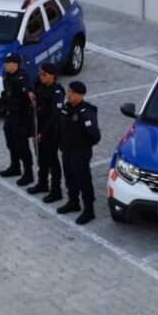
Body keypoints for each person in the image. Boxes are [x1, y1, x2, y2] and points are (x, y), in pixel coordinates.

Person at [56, 81, 100, 224]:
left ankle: (89, 210)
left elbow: (95, 136)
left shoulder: (86, 112)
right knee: (69, 177)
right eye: (68, 91)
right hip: (67, 150)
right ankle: (73, 202)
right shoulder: (66, 108)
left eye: (72, 92)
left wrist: (82, 147)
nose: (68, 94)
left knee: (83, 180)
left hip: (80, 153)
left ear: (80, 95)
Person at [28, 62, 65, 203]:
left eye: (44, 74)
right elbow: (32, 82)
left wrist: (42, 133)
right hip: (39, 126)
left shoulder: (57, 91)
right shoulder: (40, 83)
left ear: (52, 76)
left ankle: (56, 191)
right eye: (40, 73)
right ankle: (42, 184)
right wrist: (30, 92)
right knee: (41, 158)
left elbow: (54, 116)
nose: (41, 76)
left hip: (50, 131)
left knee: (52, 161)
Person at [0, 53, 35, 186]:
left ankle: (28, 173)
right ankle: (15, 167)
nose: (5, 65)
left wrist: (26, 123)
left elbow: (27, 100)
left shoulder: (22, 78)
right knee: (11, 142)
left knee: (22, 146)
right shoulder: (8, 76)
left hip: (21, 117)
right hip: (10, 114)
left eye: (7, 63)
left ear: (15, 64)